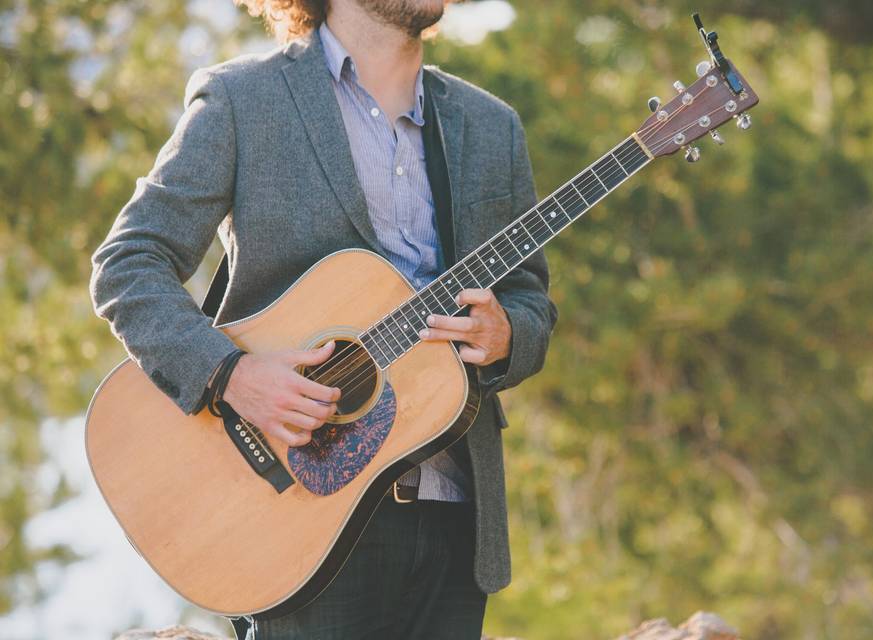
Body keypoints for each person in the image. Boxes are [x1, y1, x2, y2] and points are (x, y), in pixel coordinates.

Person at [89, 0, 557, 637]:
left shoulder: (489, 126)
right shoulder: (243, 100)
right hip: (294, 513)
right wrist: (231, 375)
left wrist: (508, 334)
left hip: (455, 511)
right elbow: (129, 262)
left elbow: (529, 302)